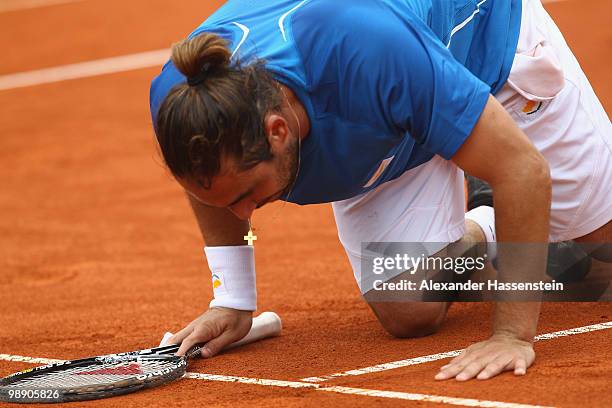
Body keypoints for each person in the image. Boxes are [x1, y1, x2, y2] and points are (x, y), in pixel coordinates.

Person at [149, 0, 612, 381]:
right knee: (408, 308)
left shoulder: (366, 53)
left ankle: (478, 154)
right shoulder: (187, 100)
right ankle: (489, 217)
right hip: (386, 117)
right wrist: (232, 298)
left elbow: (523, 169)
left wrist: (512, 334)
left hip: (483, 46)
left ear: (277, 132)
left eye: (248, 194)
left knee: (599, 267)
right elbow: (212, 186)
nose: (245, 212)